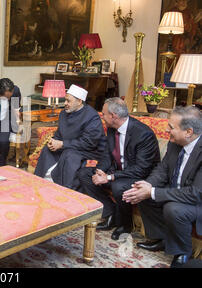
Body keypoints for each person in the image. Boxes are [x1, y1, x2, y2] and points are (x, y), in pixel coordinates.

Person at [123, 106, 201, 268]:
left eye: (171, 127)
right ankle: (161, 239)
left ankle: (182, 252)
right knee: (142, 194)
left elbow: (196, 193)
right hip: (177, 191)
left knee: (173, 208)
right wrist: (148, 185)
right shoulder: (175, 144)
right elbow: (162, 170)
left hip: (197, 201)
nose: (166, 130)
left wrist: (153, 192)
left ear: (189, 132)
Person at [78, 97, 161, 240]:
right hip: (118, 171)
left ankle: (125, 225)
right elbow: (107, 155)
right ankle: (110, 213)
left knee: (118, 186)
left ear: (113, 116)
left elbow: (141, 169)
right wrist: (100, 171)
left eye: (103, 114)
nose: (102, 116)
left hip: (139, 175)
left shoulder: (143, 134)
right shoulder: (112, 129)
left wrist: (109, 177)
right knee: (85, 173)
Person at [34, 85, 107, 191]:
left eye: (68, 101)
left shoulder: (92, 116)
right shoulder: (64, 113)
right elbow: (60, 134)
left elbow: (88, 143)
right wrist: (53, 141)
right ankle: (41, 183)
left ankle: (66, 190)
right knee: (47, 150)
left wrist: (62, 144)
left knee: (70, 155)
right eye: (65, 100)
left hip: (89, 150)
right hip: (69, 145)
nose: (65, 104)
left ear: (79, 101)